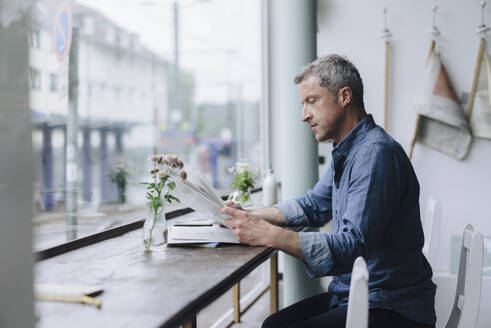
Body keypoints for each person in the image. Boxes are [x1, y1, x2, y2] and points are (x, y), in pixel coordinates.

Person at [220, 54, 436, 328]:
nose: (304, 115)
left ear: (344, 96)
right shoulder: (351, 150)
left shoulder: (374, 154)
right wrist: (248, 215)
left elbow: (352, 246)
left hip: (390, 307)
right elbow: (313, 205)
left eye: (312, 101)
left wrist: (269, 234)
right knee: (275, 323)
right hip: (357, 296)